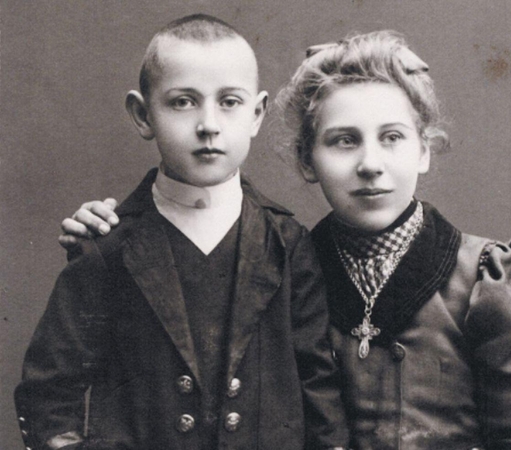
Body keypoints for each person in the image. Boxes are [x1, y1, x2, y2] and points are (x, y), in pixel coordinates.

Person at [59, 30, 511, 449]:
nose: (370, 164)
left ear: (424, 150)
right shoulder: (281, 260)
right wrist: (105, 234)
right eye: (344, 140)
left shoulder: (489, 278)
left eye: (392, 137)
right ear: (306, 161)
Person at [15, 14, 350, 450]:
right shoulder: (108, 247)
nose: (208, 124)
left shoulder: (287, 243)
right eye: (183, 102)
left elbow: (319, 390)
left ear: (256, 114)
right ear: (143, 115)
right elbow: (49, 396)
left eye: (229, 101)